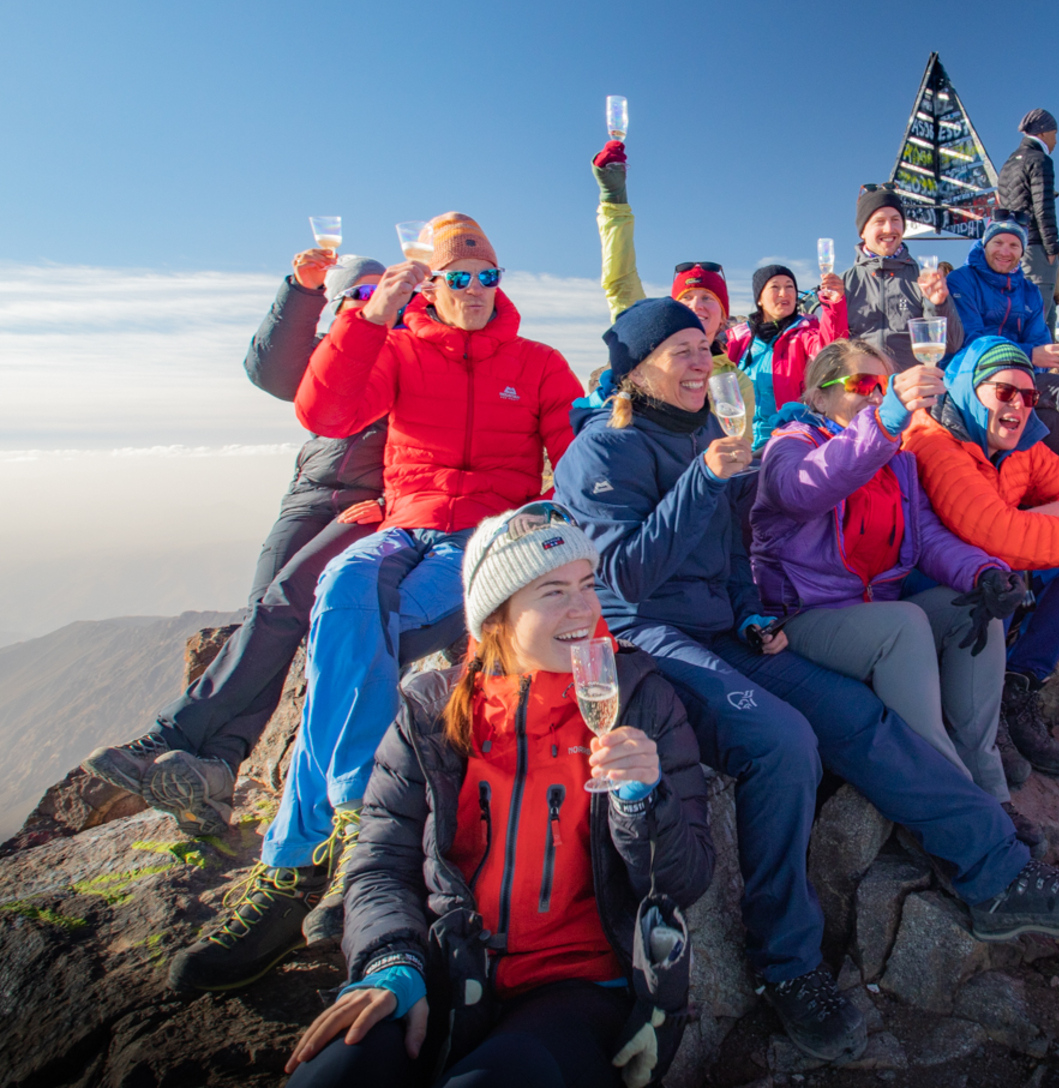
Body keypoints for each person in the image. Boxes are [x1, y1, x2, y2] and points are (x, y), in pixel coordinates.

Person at [553, 299, 1059, 1064]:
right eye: (679, 349)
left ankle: (997, 873)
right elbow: (620, 579)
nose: (699, 361)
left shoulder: (707, 435)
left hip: (725, 631)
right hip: (650, 641)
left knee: (858, 716)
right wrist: (703, 485)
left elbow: (733, 560)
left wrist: (751, 614)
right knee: (783, 742)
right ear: (635, 368)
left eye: (703, 347)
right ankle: (787, 964)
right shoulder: (602, 450)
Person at [168, 213, 584, 994]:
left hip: (481, 536)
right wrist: (370, 316)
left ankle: (294, 865)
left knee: (365, 634)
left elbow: (573, 459)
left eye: (487, 275)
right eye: (458, 277)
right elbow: (323, 413)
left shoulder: (538, 364)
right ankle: (355, 820)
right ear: (434, 284)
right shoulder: (397, 347)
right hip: (404, 525)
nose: (474, 289)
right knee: (341, 589)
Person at [283, 504, 713, 1088]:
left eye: (587, 585)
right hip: (441, 968)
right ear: (496, 617)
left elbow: (683, 881)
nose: (584, 608)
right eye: (553, 591)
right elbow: (381, 862)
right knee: (336, 1073)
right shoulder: (430, 711)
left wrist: (641, 802)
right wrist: (389, 958)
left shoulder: (641, 701)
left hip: (577, 987)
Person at [85, 251, 452, 835]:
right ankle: (216, 768)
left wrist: (394, 501)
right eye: (355, 295)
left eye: (384, 291)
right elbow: (272, 374)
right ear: (340, 306)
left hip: (373, 505)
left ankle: (171, 736)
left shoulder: (417, 351)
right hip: (308, 496)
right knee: (266, 614)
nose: (374, 301)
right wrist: (301, 292)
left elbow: (444, 440)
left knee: (284, 603)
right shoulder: (338, 350)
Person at [749, 338, 1039, 844]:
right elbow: (803, 490)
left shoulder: (896, 461)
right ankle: (963, 811)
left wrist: (985, 574)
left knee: (973, 608)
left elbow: (926, 536)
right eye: (863, 384)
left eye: (883, 386)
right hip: (802, 615)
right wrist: (883, 422)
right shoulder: (790, 445)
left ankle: (991, 790)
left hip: (871, 614)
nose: (875, 395)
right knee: (905, 623)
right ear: (818, 395)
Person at [901, 337, 1059, 784]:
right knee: (1006, 567)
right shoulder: (935, 440)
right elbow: (989, 532)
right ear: (969, 390)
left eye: (1029, 396)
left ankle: (1018, 684)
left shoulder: (1021, 444)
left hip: (989, 559)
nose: (1019, 406)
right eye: (1004, 391)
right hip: (931, 580)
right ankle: (982, 716)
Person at [578, 142, 752, 422]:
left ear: (723, 317)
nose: (696, 305)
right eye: (686, 298)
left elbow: (738, 442)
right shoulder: (650, 349)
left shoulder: (736, 381)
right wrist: (614, 199)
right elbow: (620, 279)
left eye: (708, 298)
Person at [944, 216, 1059, 456]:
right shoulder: (961, 280)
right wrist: (1029, 355)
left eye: (1013, 245)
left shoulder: (1029, 291)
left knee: (1050, 420)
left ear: (1022, 251)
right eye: (998, 243)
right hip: (969, 375)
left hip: (1017, 380)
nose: (1005, 251)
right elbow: (970, 340)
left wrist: (1041, 358)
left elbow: (1040, 342)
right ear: (985, 245)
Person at [820, 185, 962, 373]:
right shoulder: (844, 283)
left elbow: (952, 344)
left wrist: (939, 304)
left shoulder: (923, 279)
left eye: (895, 220)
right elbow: (831, 350)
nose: (889, 228)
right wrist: (833, 305)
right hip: (863, 385)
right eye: (879, 221)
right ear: (863, 231)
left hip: (911, 386)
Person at [723, 263, 845, 451]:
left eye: (789, 286)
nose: (784, 293)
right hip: (741, 445)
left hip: (789, 443)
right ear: (759, 299)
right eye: (775, 287)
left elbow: (831, 352)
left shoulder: (804, 333)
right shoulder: (738, 340)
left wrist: (833, 306)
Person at [995, 108, 1059, 329]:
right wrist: (1052, 249)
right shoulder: (1040, 160)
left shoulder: (1008, 164)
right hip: (1035, 246)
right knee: (1037, 320)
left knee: (1022, 312)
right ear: (1042, 132)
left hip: (1013, 248)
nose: (1055, 141)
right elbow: (1043, 207)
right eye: (1054, 133)